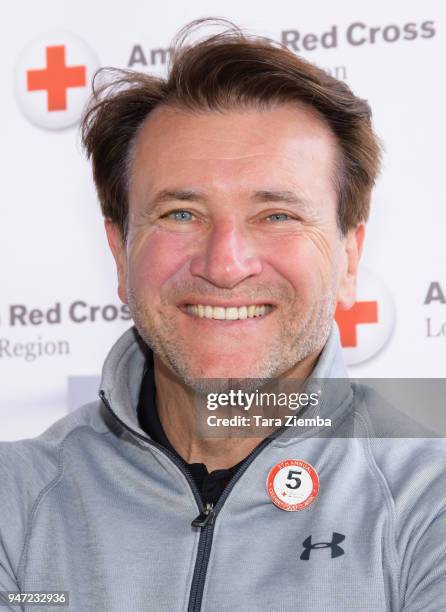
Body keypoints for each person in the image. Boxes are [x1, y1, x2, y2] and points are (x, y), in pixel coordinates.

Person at [1, 18, 445, 612]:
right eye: (181, 213)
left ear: (348, 257)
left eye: (278, 216)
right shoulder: (15, 498)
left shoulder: (430, 499)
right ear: (119, 250)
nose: (226, 264)